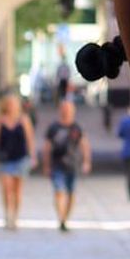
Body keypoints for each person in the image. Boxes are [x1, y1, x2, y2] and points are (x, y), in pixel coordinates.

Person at [0, 91, 36, 229]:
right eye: (9, 104)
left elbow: (30, 139)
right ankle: (7, 215)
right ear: (5, 106)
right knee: (6, 189)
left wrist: (33, 156)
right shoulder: (0, 120)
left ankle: (15, 216)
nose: (11, 106)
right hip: (5, 160)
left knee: (17, 190)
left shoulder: (24, 119)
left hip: (21, 158)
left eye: (14, 104)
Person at [45, 96, 91, 230]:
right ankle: (61, 218)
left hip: (73, 164)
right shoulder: (53, 127)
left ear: (73, 111)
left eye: (68, 109)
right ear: (60, 110)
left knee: (71, 192)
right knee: (59, 191)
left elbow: (84, 145)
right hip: (57, 164)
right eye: (64, 109)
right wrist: (47, 165)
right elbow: (47, 147)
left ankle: (65, 217)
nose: (66, 112)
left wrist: (86, 162)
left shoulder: (77, 127)